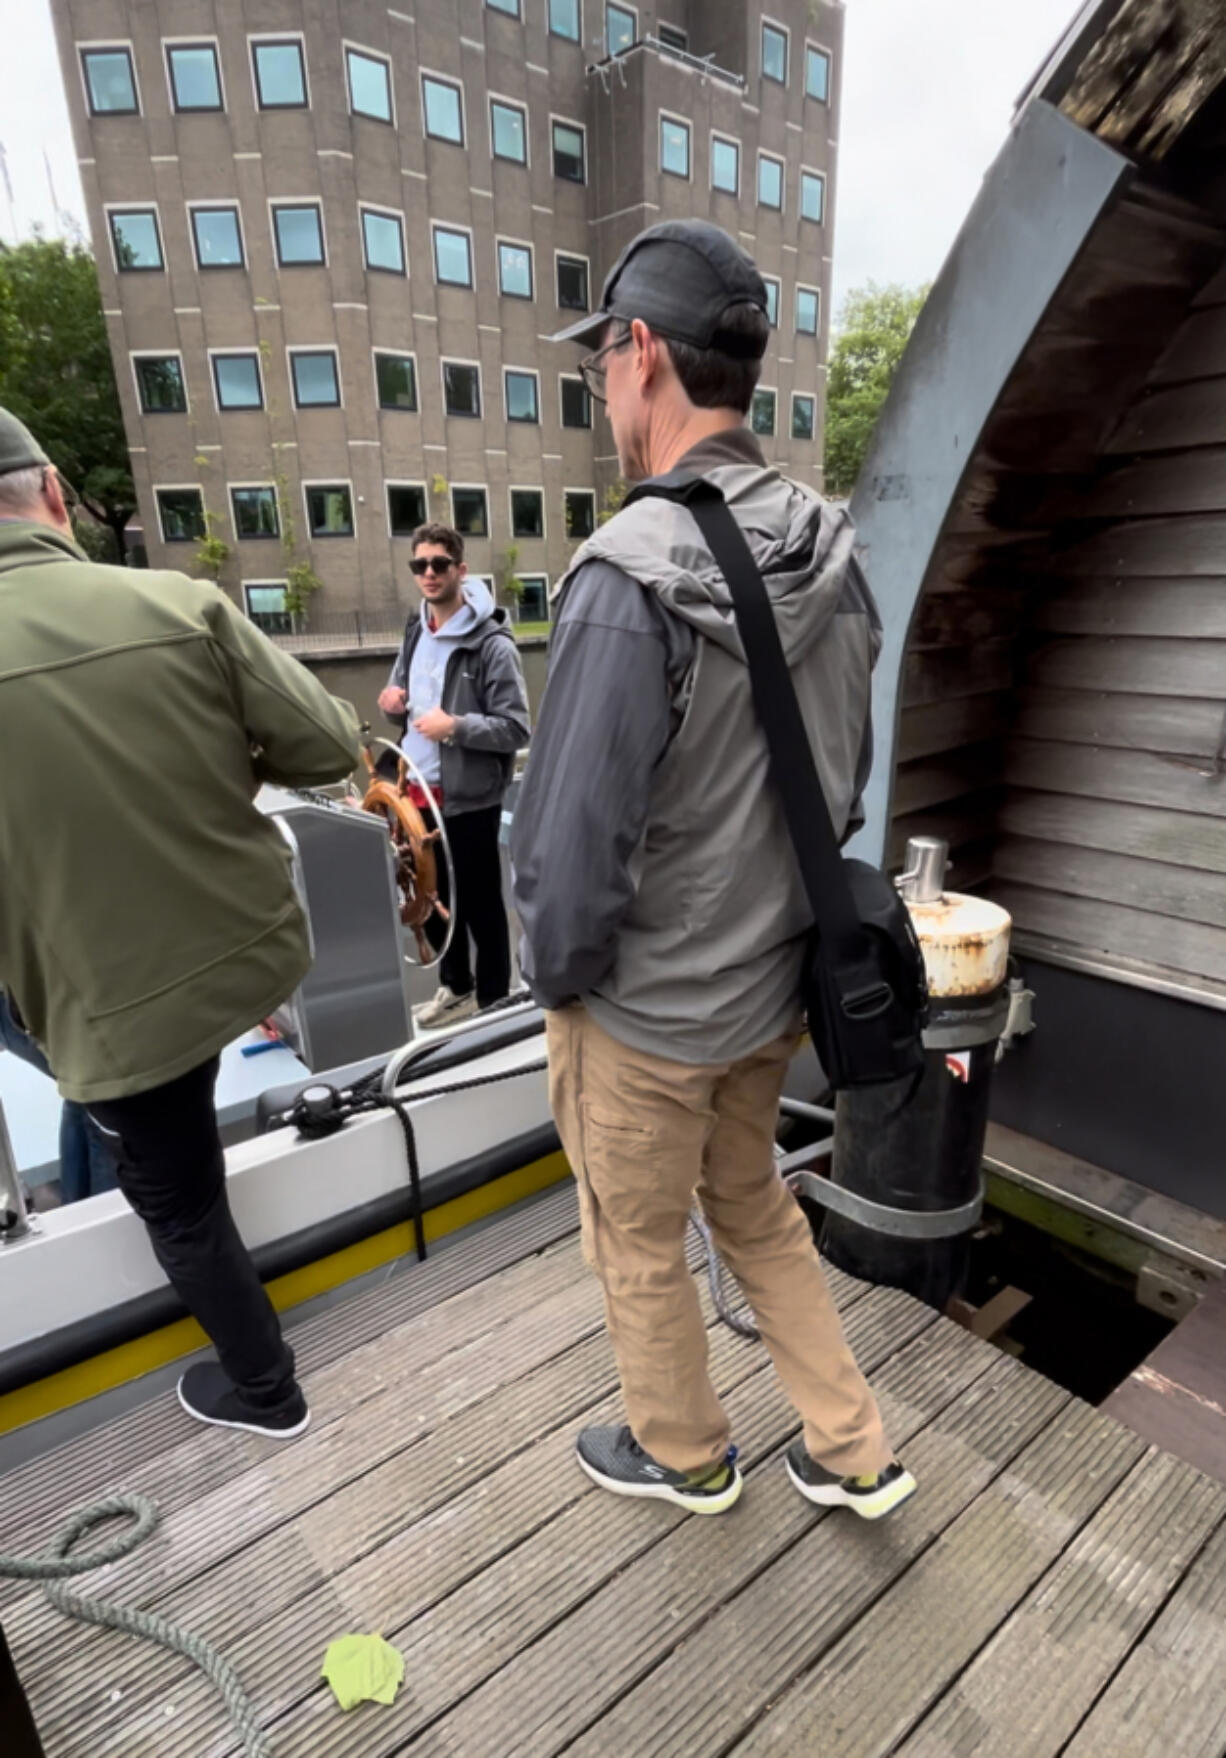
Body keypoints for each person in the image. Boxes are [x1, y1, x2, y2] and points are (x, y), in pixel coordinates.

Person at [511, 220, 916, 1519]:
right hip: (769, 1002)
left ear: (639, 355)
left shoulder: (624, 575)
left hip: (645, 1017)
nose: (603, 399)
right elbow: (841, 792)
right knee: (752, 1203)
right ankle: (853, 1446)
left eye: (600, 371)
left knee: (635, 1240)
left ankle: (682, 1452)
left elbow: (567, 856)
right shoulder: (838, 554)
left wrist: (559, 990)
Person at [0, 407, 360, 1439]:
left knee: (181, 1206)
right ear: (55, 495)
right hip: (247, 959)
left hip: (118, 1013)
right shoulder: (181, 604)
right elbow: (328, 744)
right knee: (124, 1104)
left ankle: (265, 1389)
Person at [378, 522, 530, 1027]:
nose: (428, 573)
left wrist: (455, 726)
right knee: (434, 898)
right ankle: (456, 988)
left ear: (461, 570)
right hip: (416, 794)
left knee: (483, 902)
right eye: (419, 565)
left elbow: (515, 728)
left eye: (439, 564)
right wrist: (390, 702)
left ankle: (494, 1002)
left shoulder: (493, 646)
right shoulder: (416, 628)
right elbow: (401, 699)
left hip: (468, 798)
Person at [0, 988, 117, 1203]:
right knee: (104, 1101)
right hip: (21, 1002)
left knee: (81, 1095)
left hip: (14, 1004)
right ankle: (101, 1214)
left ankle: (79, 1213)